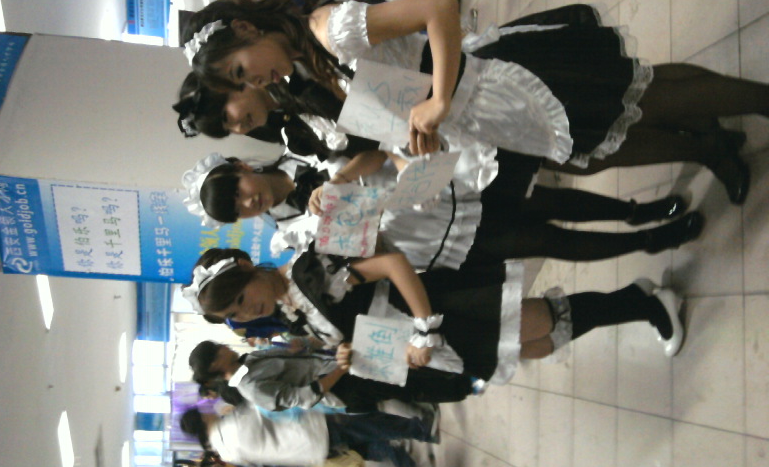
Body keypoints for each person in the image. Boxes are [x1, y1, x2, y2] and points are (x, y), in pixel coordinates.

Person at [179, 0, 767, 205]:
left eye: (242, 72)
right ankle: (710, 147)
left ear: (248, 30)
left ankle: (754, 103)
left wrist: (436, 100)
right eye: (242, 86)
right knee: (599, 150)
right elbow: (394, 104)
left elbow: (440, 8)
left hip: (497, 83)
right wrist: (419, 138)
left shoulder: (329, 30)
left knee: (642, 95)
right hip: (484, 124)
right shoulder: (306, 73)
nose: (256, 84)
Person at [181, 246, 686, 406]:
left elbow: (392, 264)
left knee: (541, 321)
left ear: (246, 269)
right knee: (535, 344)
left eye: (240, 299)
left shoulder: (308, 270)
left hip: (437, 311)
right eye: (235, 315)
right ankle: (635, 298)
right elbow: (353, 330)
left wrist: (424, 328)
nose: (246, 312)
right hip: (418, 345)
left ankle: (646, 304)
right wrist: (346, 354)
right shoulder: (290, 309)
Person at [182, 150, 701, 271]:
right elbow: (359, 252)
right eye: (239, 212)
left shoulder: (299, 142)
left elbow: (376, 150)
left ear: (241, 167)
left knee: (548, 199)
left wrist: (339, 180)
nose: (250, 203)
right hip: (431, 238)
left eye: (240, 192)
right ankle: (648, 241)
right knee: (547, 241)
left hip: (440, 187)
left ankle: (637, 211)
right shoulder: (287, 233)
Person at [188, 339, 474, 413]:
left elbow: (294, 355)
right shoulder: (250, 388)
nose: (224, 346)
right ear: (215, 364)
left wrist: (304, 345)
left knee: (403, 372)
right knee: (405, 387)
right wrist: (340, 369)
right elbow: (305, 397)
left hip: (337, 367)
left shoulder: (249, 361)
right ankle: (464, 387)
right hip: (340, 385)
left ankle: (460, 376)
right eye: (218, 349)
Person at [180, 403, 436, 467]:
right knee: (371, 425)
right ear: (202, 418)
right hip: (314, 429)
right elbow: (267, 406)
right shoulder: (233, 423)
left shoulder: (227, 453)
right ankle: (421, 430)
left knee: (364, 447)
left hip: (311, 455)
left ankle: (404, 465)